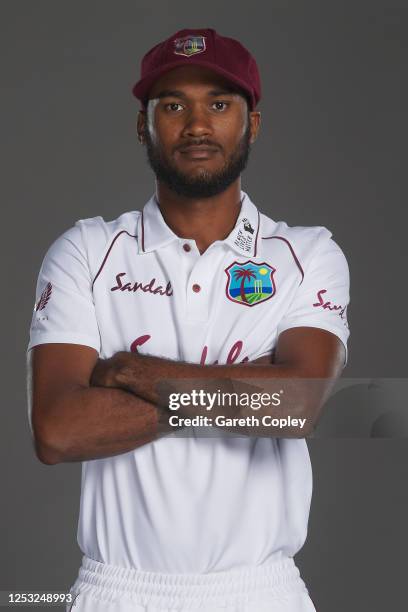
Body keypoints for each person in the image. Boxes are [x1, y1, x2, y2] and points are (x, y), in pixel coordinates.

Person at [27, 28, 350, 612]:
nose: (197, 125)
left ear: (252, 124)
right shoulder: (86, 250)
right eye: (173, 105)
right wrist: (242, 391)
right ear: (142, 124)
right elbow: (57, 431)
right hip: (117, 590)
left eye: (219, 105)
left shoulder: (306, 254)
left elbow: (298, 404)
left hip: (259, 591)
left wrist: (130, 371)